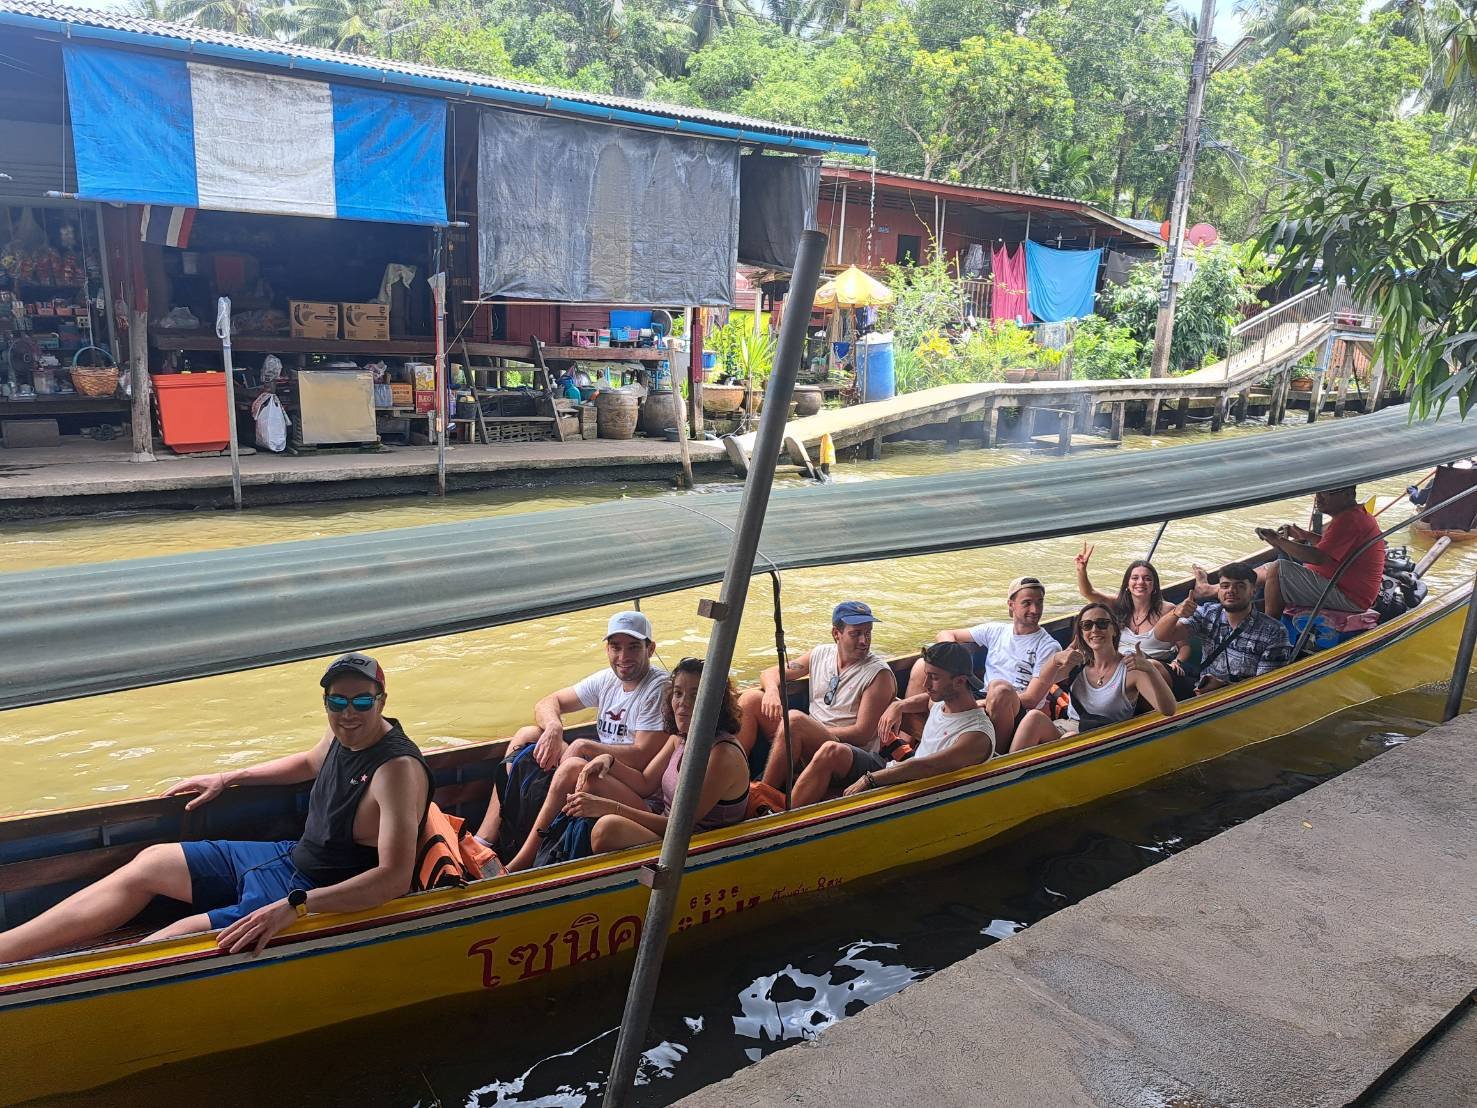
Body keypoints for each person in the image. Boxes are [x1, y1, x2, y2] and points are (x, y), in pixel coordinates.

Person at [0, 653, 433, 965]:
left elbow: (393, 879)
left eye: (362, 702)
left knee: (166, 945)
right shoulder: (342, 733)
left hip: (317, 890)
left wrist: (296, 907)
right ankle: (8, 948)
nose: (348, 713)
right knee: (152, 861)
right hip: (289, 856)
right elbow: (307, 763)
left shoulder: (395, 770)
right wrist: (229, 777)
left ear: (382, 701)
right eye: (337, 702)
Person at [474, 612, 669, 859]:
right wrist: (555, 728)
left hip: (636, 792)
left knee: (575, 761)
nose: (623, 657)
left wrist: (586, 747)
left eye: (633, 647)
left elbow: (642, 757)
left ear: (650, 649)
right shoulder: (608, 680)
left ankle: (522, 863)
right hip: (601, 769)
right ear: (607, 649)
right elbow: (548, 702)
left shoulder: (658, 688)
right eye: (615, 647)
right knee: (528, 735)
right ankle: (484, 839)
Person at [517, 658, 751, 864]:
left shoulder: (722, 756)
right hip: (661, 823)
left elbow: (680, 826)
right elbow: (645, 783)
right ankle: (522, 862)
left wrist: (610, 808)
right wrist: (608, 760)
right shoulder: (679, 739)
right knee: (579, 771)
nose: (683, 704)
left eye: (695, 695)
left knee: (606, 828)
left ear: (715, 702)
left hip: (693, 843)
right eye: (678, 693)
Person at [790, 641, 993, 805]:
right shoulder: (943, 701)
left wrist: (870, 779)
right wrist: (899, 706)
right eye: (926, 676)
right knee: (831, 751)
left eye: (934, 678)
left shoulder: (976, 735)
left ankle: (788, 830)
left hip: (916, 790)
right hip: (899, 767)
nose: (925, 685)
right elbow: (926, 700)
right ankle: (785, 813)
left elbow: (928, 766)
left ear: (959, 681)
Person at [738, 601, 895, 797]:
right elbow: (771, 673)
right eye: (856, 634)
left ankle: (761, 796)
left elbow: (862, 733)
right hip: (810, 737)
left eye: (868, 633)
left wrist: (806, 731)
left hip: (850, 755)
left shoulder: (878, 674)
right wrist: (771, 691)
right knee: (751, 699)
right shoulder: (820, 654)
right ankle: (732, 777)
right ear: (836, 634)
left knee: (794, 721)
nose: (864, 641)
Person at [911, 576, 1060, 753]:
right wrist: (952, 656)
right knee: (923, 665)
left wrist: (986, 701)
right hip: (985, 693)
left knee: (1000, 690)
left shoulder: (1048, 646)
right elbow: (946, 633)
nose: (1035, 610)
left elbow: (1031, 699)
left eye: (1039, 603)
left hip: (1015, 707)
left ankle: (993, 755)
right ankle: (917, 744)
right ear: (1011, 605)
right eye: (1027, 603)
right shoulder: (996, 631)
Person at [1011, 603, 1178, 751]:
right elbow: (1043, 680)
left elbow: (1169, 710)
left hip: (1102, 740)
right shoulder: (1078, 664)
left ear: (1114, 629)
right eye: (1087, 625)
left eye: (1102, 624)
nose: (1095, 630)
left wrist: (1150, 670)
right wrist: (1056, 659)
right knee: (1033, 717)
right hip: (1067, 728)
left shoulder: (1131, 668)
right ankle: (1010, 776)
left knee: (1069, 740)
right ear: (1082, 633)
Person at [1153, 562, 1292, 693]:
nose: (1231, 591)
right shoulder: (1208, 613)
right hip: (1201, 687)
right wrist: (1175, 613)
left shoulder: (1274, 632)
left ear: (1253, 591)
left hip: (1238, 699)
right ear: (1219, 591)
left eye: (1240, 586)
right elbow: (1163, 635)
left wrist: (1224, 686)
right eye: (1225, 586)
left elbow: (1266, 688)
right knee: (1151, 667)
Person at [1252, 486, 1386, 618]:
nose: (1318, 498)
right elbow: (1332, 546)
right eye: (1317, 493)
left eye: (1326, 493)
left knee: (1277, 568)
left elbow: (1318, 557)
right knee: (1263, 571)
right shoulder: (1353, 515)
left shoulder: (1350, 520)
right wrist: (1305, 535)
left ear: (1348, 494)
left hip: (1349, 596)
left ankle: (1268, 629)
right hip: (1337, 585)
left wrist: (1278, 540)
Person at [1075, 545, 1191, 682]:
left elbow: (1184, 646)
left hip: (1157, 668)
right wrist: (1081, 570)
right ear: (1127, 585)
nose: (1140, 582)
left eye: (1147, 578)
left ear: (1154, 585)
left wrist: (1177, 662)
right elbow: (1089, 593)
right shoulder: (1117, 605)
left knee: (1143, 667)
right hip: (1121, 666)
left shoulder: (1167, 609)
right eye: (1135, 578)